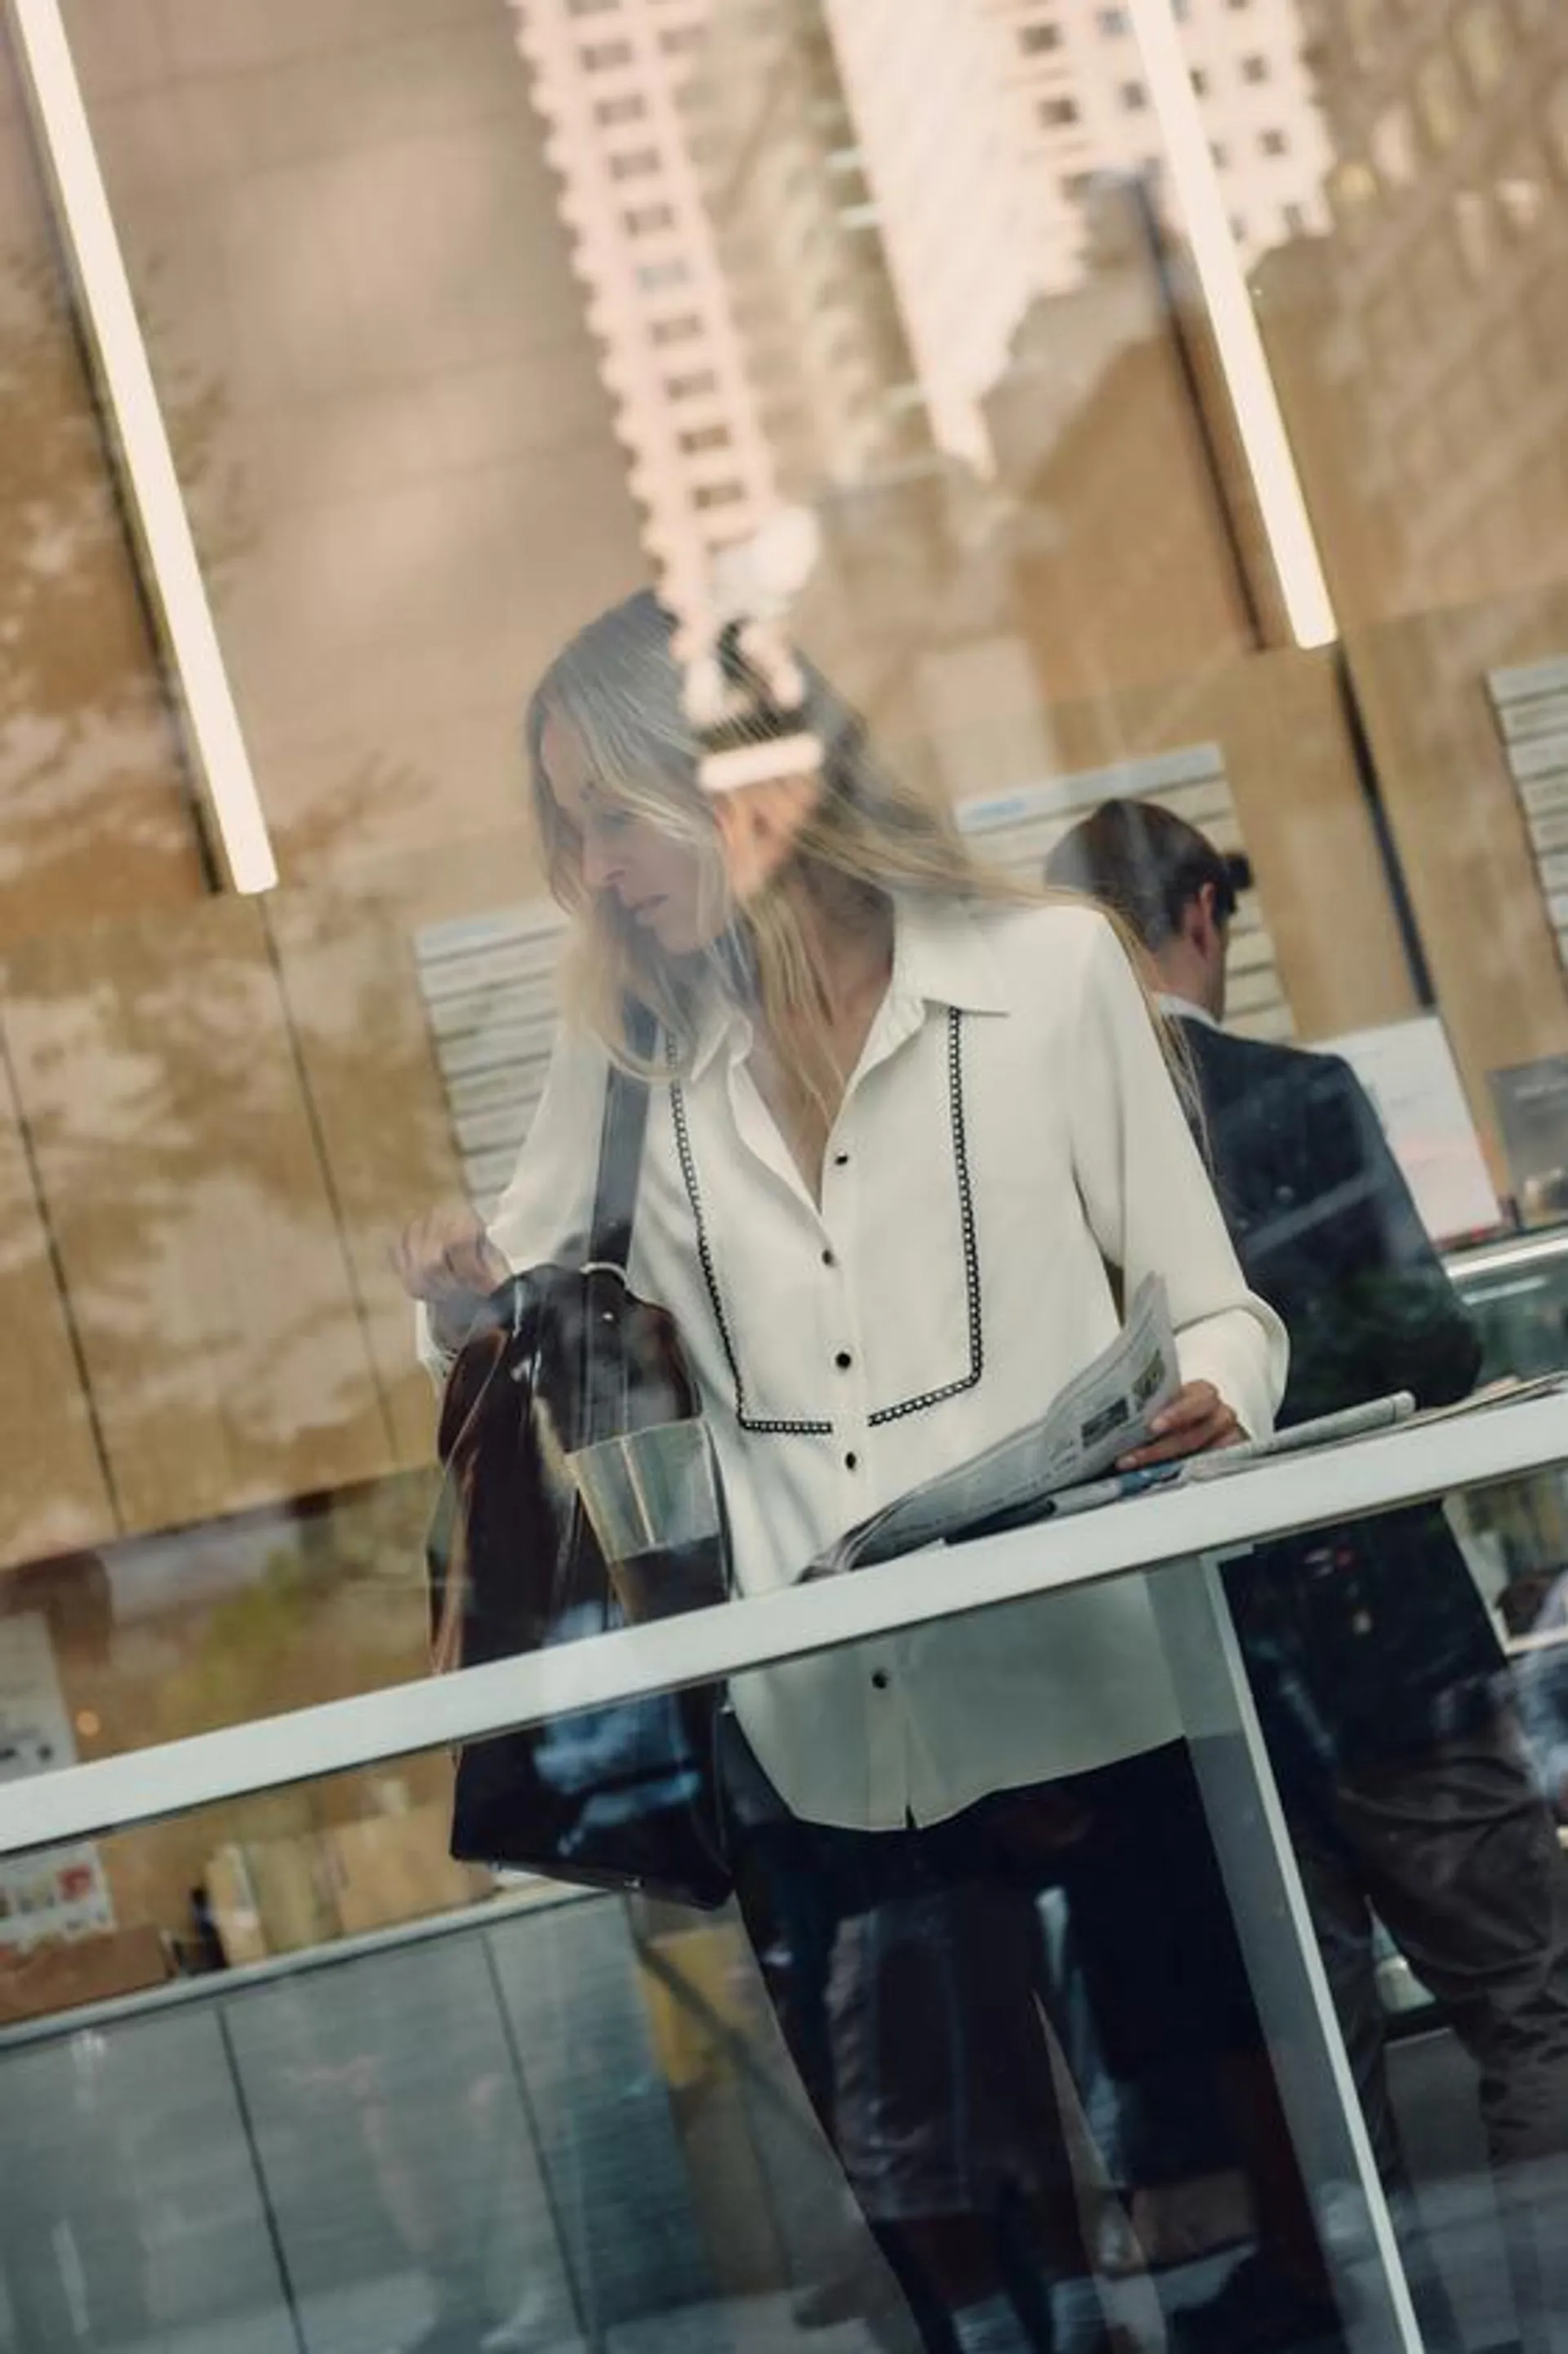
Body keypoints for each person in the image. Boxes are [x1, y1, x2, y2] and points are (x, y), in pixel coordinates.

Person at [395, 593, 1323, 2354]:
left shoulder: (1044, 975)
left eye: (615, 810)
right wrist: (453, 1287)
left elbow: (1220, 1309)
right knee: (984, 2308)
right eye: (566, 827)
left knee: (1243, 2264)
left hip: (1100, 1716)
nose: (593, 868)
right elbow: (509, 1312)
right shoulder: (632, 1065)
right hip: (822, 1770)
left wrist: (1214, 1394)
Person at [1046, 797, 1568, 2354]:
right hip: (1386, 1643)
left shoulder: (1038, 1164)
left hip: (1197, 1677)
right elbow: (1433, 1334)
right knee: (1533, 1999)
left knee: (1311, 2072)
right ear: (1203, 912)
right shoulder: (1295, 1089)